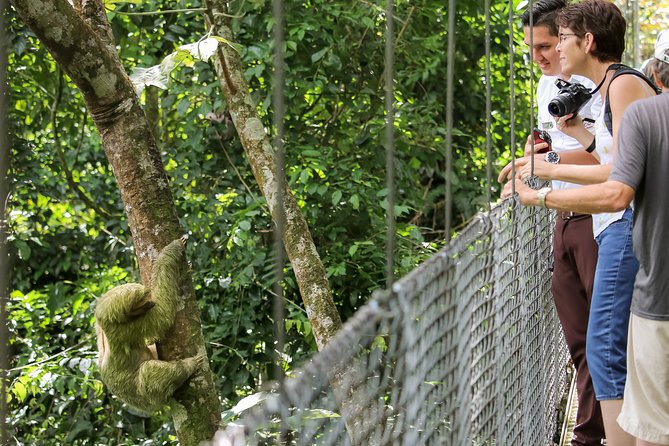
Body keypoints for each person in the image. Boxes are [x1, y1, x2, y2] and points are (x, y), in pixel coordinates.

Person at [502, 1, 659, 444]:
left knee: (608, 350)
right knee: (611, 347)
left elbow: (621, 181)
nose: (553, 55)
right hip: (610, 225)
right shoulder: (608, 86)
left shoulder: (622, 85)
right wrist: (553, 156)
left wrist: (543, 188)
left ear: (586, 41)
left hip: (623, 224)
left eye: (562, 40)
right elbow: (613, 159)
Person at [505, 1, 605, 444]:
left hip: (597, 218)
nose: (540, 57)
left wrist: (541, 161)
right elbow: (557, 141)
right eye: (531, 48)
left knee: (601, 344)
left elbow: (605, 154)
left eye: (547, 45)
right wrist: (539, 146)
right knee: (579, 344)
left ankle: (590, 436)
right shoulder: (549, 83)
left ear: (572, 37)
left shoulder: (601, 83)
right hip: (559, 217)